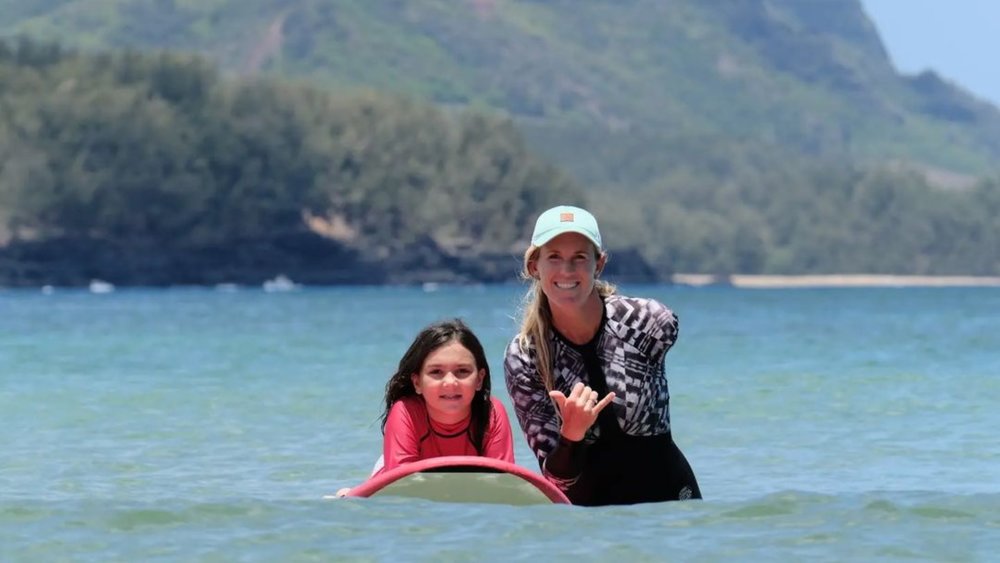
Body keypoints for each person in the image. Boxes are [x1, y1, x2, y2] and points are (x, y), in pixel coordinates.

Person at [504, 205, 701, 506]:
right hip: (591, 525)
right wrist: (571, 434)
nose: (567, 271)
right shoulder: (525, 357)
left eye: (579, 258)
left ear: (599, 264)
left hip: (670, 505)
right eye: (554, 257)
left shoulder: (648, 322)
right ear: (534, 266)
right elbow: (555, 479)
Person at [336, 319, 515, 496]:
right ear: (417, 382)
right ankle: (351, 492)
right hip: (394, 473)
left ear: (479, 380)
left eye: (462, 371)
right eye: (436, 372)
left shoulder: (492, 412)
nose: (450, 382)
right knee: (350, 497)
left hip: (461, 485)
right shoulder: (405, 411)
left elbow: (502, 482)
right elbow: (402, 487)